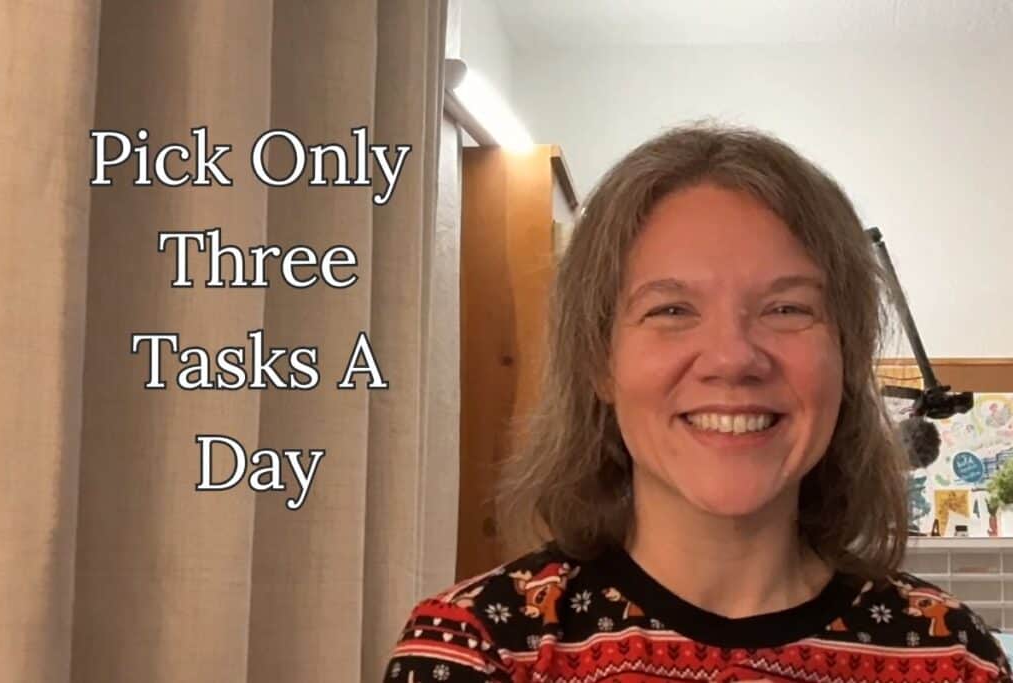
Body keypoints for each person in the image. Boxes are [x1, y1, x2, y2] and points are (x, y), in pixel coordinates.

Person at [382, 123, 1012, 682]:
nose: (734, 358)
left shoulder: (952, 657)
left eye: (786, 308)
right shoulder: (478, 646)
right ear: (600, 363)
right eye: (672, 310)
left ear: (845, 359)